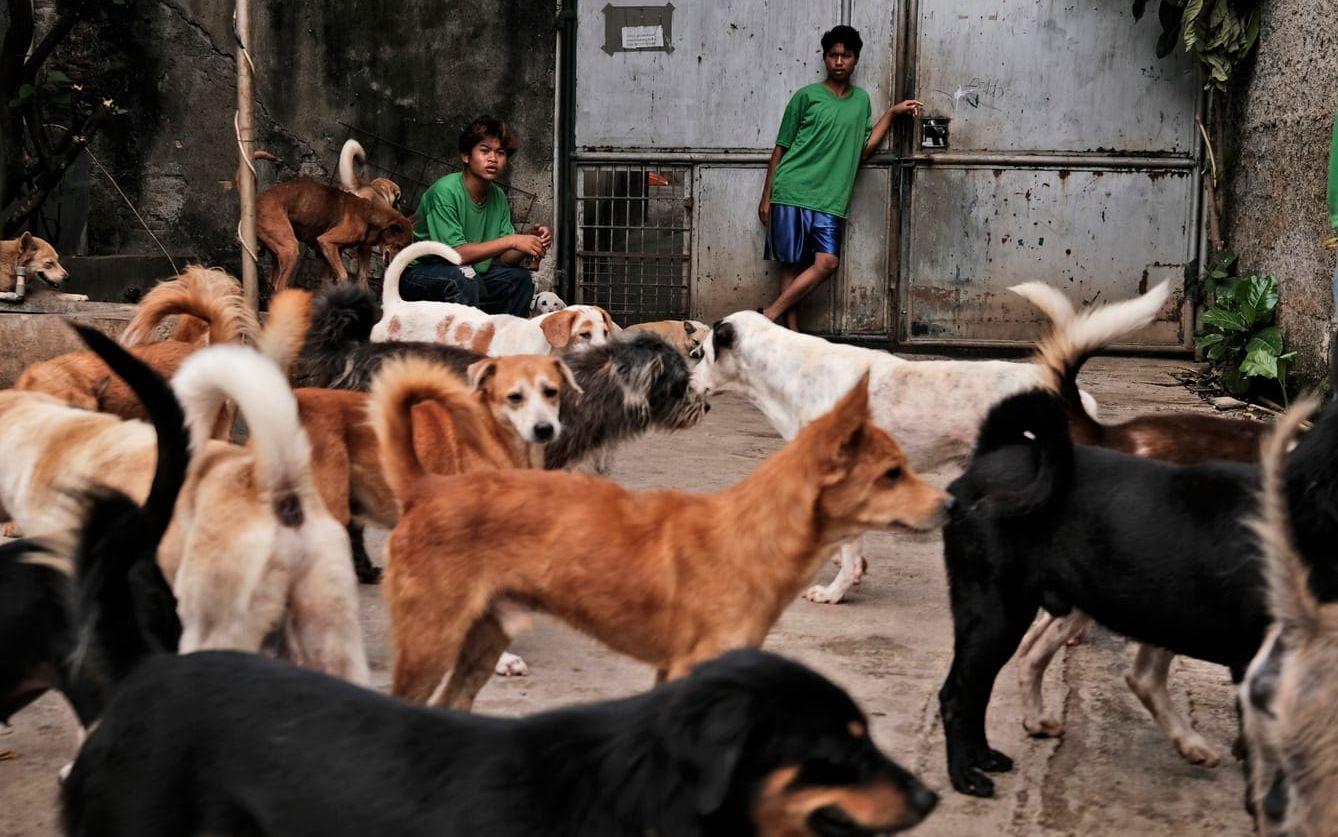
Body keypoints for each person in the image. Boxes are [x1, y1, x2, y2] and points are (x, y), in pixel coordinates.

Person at [758, 26, 922, 329]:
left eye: (845, 55)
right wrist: (766, 196)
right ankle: (793, 337)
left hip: (831, 198)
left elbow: (862, 150)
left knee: (826, 263)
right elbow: (780, 149)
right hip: (792, 189)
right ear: (825, 58)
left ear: (855, 60)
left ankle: (769, 315)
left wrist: (891, 114)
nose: (839, 61)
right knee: (792, 265)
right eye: (833, 55)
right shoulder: (806, 97)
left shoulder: (861, 101)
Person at [400, 116, 550, 316]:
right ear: (465, 155)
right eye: (484, 150)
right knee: (463, 279)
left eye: (500, 153)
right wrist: (512, 240)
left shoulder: (497, 196)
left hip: (470, 272)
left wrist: (528, 241)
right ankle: (465, 346)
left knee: (519, 279)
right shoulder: (445, 192)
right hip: (421, 273)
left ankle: (506, 345)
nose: (493, 159)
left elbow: (505, 259)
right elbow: (456, 255)